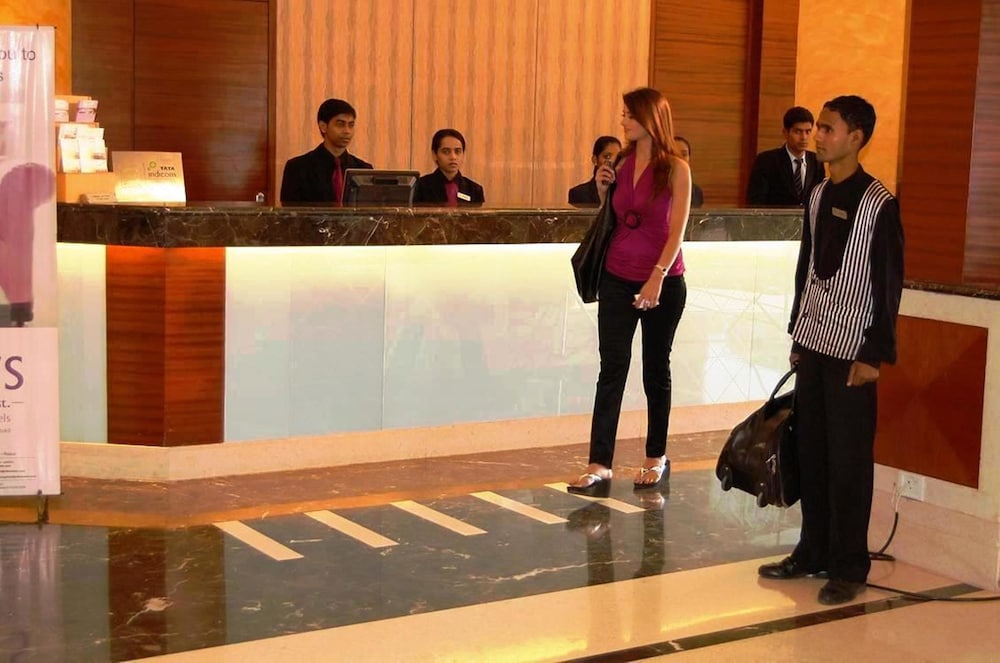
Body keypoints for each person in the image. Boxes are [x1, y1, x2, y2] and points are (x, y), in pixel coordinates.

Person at [757, 95, 904, 606]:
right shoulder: (818, 194)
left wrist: (874, 354)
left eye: (828, 128)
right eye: (817, 127)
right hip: (815, 346)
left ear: (856, 137)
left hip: (852, 354)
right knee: (812, 454)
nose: (818, 136)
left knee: (848, 462)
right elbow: (807, 267)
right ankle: (812, 550)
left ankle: (848, 565)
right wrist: (798, 333)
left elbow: (888, 285)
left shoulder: (879, 203)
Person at [567, 87, 691, 496]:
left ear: (650, 117)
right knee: (612, 369)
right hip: (616, 277)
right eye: (623, 114)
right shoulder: (621, 162)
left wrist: (657, 276)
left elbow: (677, 231)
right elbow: (618, 219)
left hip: (663, 281)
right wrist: (604, 193)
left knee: (655, 369)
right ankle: (599, 463)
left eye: (629, 115)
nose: (623, 121)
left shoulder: (676, 168)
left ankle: (656, 456)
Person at [279, 98, 373, 204]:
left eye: (351, 125)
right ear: (323, 126)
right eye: (340, 124)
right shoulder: (298, 168)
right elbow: (290, 211)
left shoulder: (363, 169)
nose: (347, 131)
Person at [746, 106, 824, 206]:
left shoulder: (817, 161)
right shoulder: (766, 161)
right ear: (785, 133)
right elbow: (756, 202)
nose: (804, 137)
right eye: (798, 131)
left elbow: (820, 199)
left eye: (808, 131)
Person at [412, 129, 484, 205]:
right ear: (434, 154)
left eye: (457, 151)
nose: (453, 157)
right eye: (446, 152)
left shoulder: (475, 189)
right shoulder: (419, 187)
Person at [568, 136, 622, 206]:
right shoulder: (579, 193)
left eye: (618, 157)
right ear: (595, 159)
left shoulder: (625, 191)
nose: (613, 161)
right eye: (607, 157)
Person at [673, 136, 704, 208]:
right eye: (674, 154)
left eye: (684, 154)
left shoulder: (696, 191)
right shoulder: (657, 188)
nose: (680, 158)